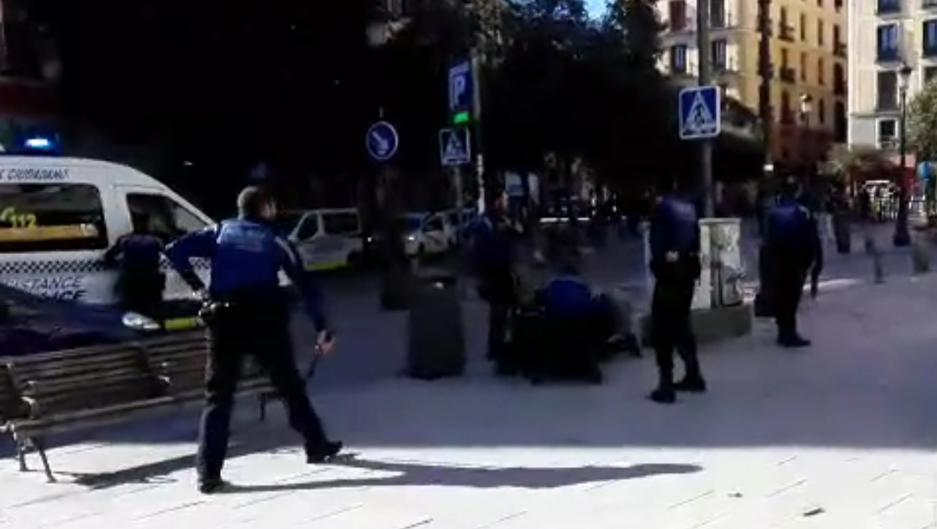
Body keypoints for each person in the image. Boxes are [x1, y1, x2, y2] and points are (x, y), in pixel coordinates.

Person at [165, 186, 341, 494]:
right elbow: (305, 285)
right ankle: (316, 444)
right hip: (265, 321)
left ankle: (208, 474)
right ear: (266, 208)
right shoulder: (274, 239)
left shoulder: (220, 231)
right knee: (289, 385)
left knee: (218, 397)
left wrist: (199, 290)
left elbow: (173, 250)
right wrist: (323, 327)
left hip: (224, 320)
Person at [648, 179, 706, 404]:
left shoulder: (663, 208)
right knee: (682, 326)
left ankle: (666, 385)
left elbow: (659, 244)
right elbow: (695, 242)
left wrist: (660, 265)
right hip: (687, 275)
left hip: (669, 277)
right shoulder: (689, 208)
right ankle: (694, 374)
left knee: (662, 331)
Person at [765, 178, 820, 347]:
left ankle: (783, 330)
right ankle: (790, 333)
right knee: (792, 297)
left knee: (781, 294)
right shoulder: (802, 211)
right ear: (797, 192)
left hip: (778, 258)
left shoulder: (774, 212)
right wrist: (812, 260)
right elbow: (811, 238)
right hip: (796, 259)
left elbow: (767, 236)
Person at [473, 188, 517, 373]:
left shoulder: (503, 220)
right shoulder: (486, 222)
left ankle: (502, 347)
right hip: (493, 274)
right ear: (497, 201)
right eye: (504, 200)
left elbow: (516, 237)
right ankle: (495, 349)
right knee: (498, 312)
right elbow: (483, 249)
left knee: (507, 311)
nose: (506, 203)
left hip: (504, 273)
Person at [104, 213, 166, 315]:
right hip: (151, 278)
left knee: (131, 308)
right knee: (154, 308)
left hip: (132, 278)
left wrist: (118, 265)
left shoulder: (125, 239)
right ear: (147, 224)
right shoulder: (156, 240)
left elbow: (108, 257)